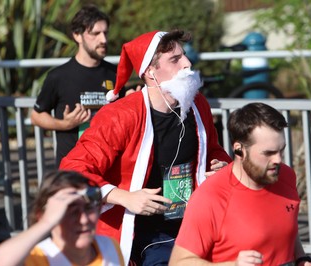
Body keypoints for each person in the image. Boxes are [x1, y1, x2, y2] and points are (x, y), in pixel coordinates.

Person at [60, 29, 232, 265]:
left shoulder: (197, 104)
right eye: (175, 59)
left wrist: (221, 166)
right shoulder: (120, 116)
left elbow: (212, 149)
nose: (187, 63)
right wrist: (125, 197)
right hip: (138, 231)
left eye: (184, 55)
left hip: (193, 224)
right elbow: (72, 170)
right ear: (151, 72)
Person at [169, 102, 311, 266]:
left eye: (281, 150)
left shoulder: (286, 176)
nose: (278, 160)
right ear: (239, 149)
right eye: (268, 153)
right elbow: (178, 263)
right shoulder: (210, 198)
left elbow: (286, 227)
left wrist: (301, 258)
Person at [30, 4, 117, 167]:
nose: (103, 40)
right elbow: (36, 116)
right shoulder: (58, 76)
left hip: (108, 166)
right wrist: (64, 124)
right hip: (72, 169)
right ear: (77, 35)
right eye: (95, 34)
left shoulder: (115, 73)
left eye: (105, 33)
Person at [0, 170, 125, 266]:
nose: (84, 220)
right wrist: (46, 222)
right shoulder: (38, 257)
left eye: (89, 208)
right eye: (70, 211)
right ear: (45, 215)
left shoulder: (109, 247)